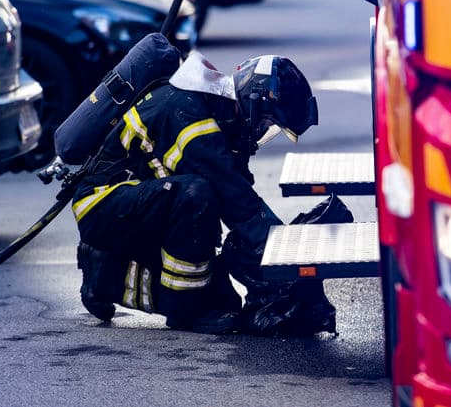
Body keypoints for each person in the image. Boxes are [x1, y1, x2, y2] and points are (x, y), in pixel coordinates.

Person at [72, 47, 322, 334]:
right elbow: (235, 199)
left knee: (224, 301)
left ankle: (103, 276)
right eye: (268, 122)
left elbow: (240, 192)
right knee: (196, 195)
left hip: (138, 203)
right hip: (101, 204)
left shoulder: (219, 114)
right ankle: (184, 311)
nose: (264, 131)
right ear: (253, 102)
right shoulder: (188, 113)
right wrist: (284, 252)